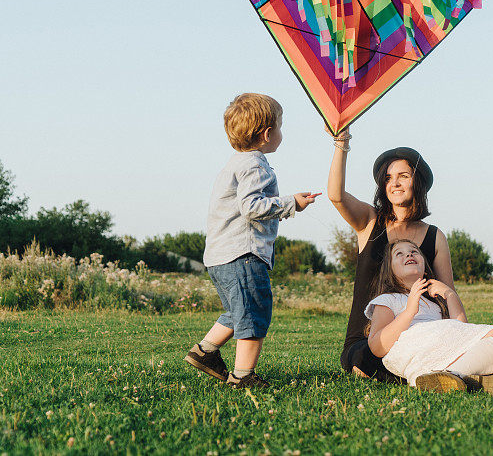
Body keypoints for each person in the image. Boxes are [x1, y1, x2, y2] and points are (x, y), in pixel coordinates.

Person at [184, 93, 319, 389]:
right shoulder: (255, 165)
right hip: (242, 254)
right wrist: (291, 203)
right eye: (280, 127)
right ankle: (243, 376)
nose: (281, 133)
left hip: (220, 255)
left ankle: (205, 352)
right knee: (255, 311)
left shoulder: (234, 164)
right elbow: (251, 207)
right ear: (267, 134)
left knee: (238, 310)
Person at [327, 128, 454, 382]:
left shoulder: (435, 237)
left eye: (403, 176)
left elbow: (447, 297)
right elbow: (336, 196)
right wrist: (342, 144)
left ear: (417, 182)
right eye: (388, 178)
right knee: (364, 359)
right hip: (368, 341)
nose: (394, 183)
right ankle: (428, 373)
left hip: (418, 336)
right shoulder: (369, 221)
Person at [366, 239, 493, 397]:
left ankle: (472, 380)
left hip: (446, 351)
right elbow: (377, 346)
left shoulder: (433, 303)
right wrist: (410, 310)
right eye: (399, 254)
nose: (409, 254)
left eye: (414, 251)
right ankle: (446, 375)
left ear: (425, 267)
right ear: (389, 271)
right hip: (422, 354)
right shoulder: (389, 299)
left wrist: (449, 294)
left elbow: (461, 327)